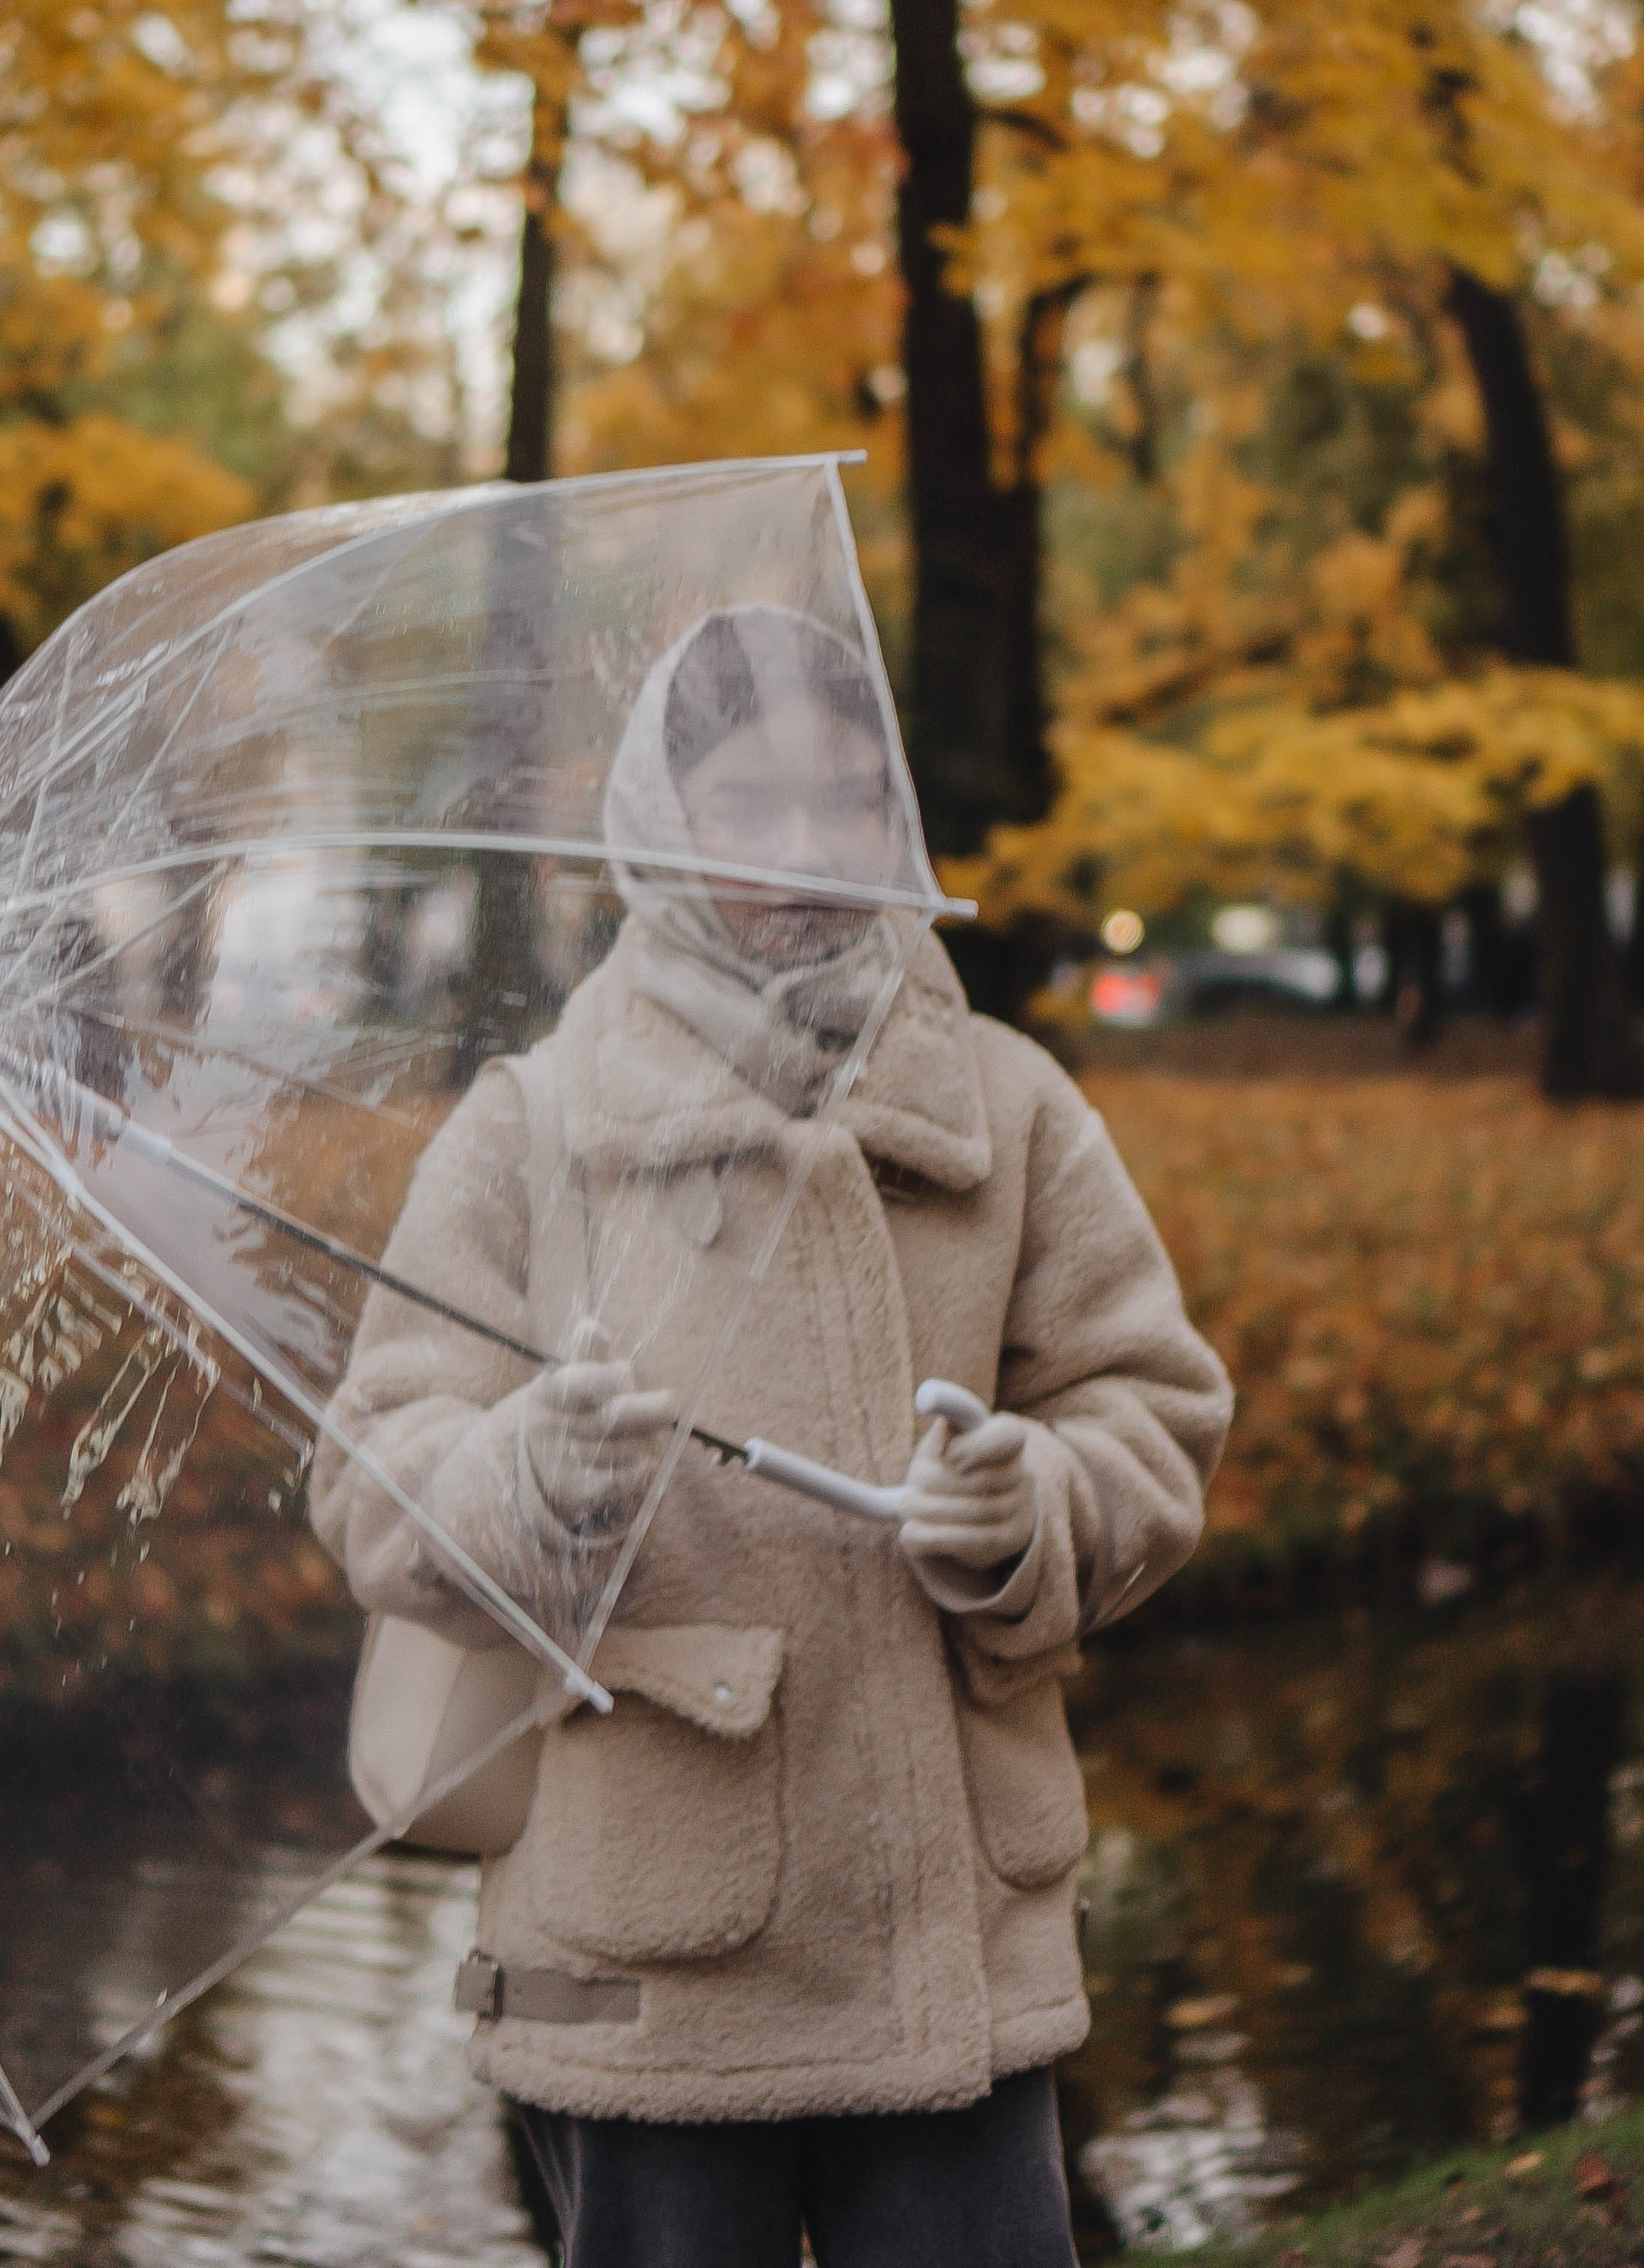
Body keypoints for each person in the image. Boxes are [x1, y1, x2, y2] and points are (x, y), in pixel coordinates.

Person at [312, 605, 1233, 2268]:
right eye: (745, 805)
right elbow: (374, 1465)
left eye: (847, 801)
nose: (804, 852)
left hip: (948, 1948)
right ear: (656, 825)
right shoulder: (534, 1126)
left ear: (899, 819)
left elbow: (1150, 1409)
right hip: (645, 1959)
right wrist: (525, 1476)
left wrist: (1033, 1503)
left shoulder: (1008, 1106)